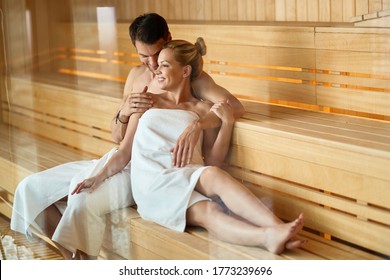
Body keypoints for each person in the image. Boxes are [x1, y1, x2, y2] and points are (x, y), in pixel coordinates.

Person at [10, 13, 244, 259]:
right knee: (29, 188)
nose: (153, 64)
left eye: (157, 54)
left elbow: (234, 106)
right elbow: (117, 136)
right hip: (120, 157)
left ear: (168, 40)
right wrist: (124, 112)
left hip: (148, 170)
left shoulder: (190, 77)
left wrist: (198, 124)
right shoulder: (136, 77)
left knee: (79, 200)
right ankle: (76, 262)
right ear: (135, 50)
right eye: (145, 56)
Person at [75, 38, 305, 255]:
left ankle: (276, 230)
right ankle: (269, 235)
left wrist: (226, 124)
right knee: (209, 210)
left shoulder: (203, 109)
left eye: (165, 65)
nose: (156, 70)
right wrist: (99, 175)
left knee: (212, 185)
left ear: (185, 71)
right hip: (152, 181)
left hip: (186, 173)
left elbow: (213, 162)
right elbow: (124, 151)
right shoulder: (146, 101)